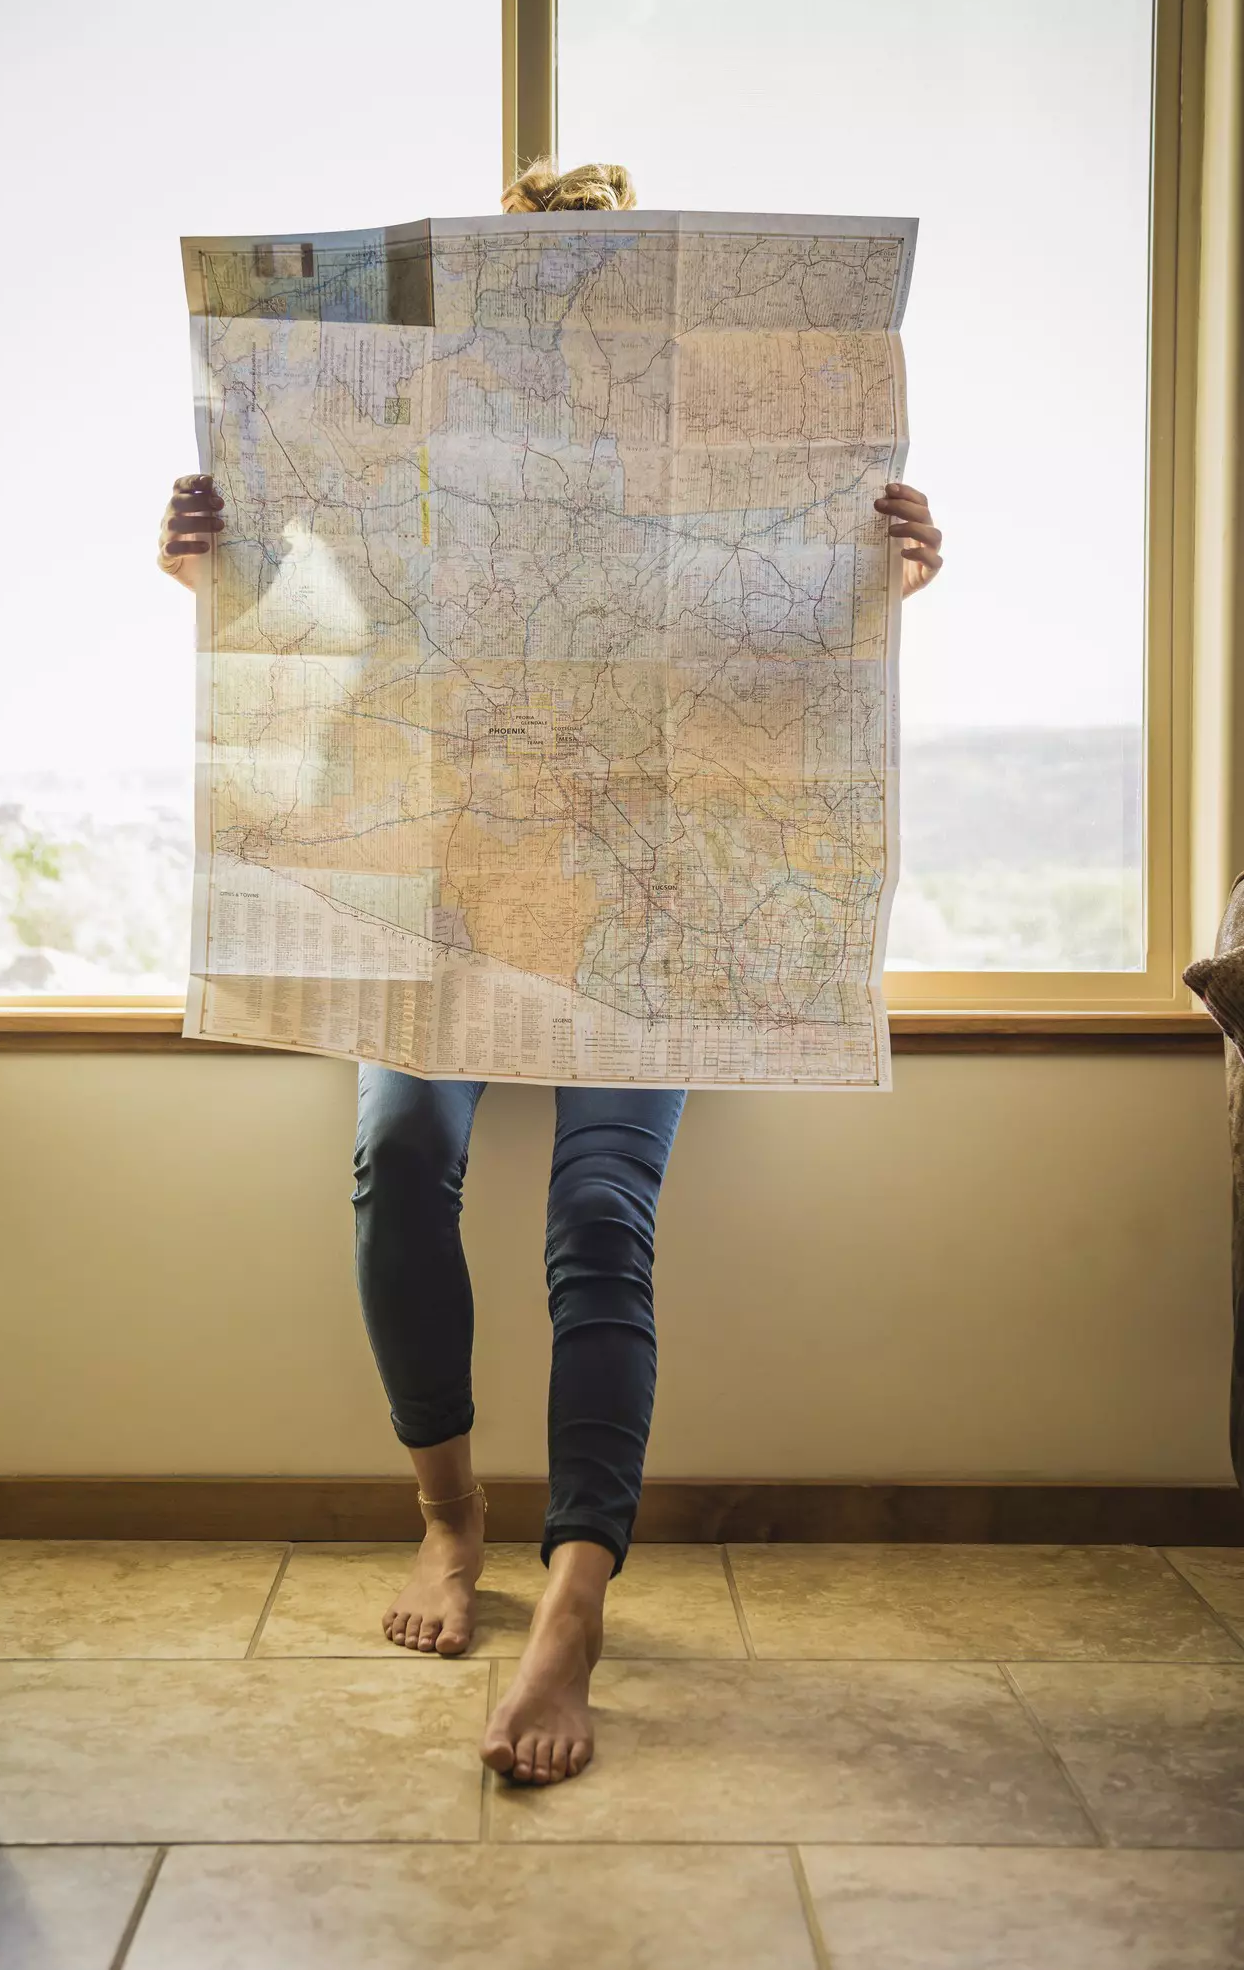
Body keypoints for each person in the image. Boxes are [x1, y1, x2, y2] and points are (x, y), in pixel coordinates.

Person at [158, 158, 944, 1784]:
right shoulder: (437, 465)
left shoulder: (687, 487)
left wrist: (886, 574)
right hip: (452, 891)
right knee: (402, 1152)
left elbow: (777, 661)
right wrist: (209, 577)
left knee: (598, 1213)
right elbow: (332, 631)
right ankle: (448, 1520)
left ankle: (574, 1597)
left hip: (635, 906)